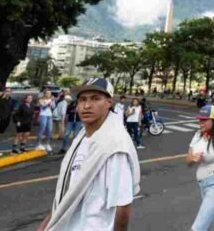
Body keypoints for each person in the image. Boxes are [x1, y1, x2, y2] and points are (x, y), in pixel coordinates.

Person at [37, 78, 140, 231]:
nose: (86, 106)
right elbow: (67, 193)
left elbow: (122, 207)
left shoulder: (114, 146)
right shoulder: (82, 138)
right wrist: (45, 226)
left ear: (108, 102)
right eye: (82, 99)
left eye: (95, 99)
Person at [0, 86, 16, 158]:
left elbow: (11, 110)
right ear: (4, 92)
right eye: (6, 91)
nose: (8, 92)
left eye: (9, 91)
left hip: (6, 120)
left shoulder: (11, 100)